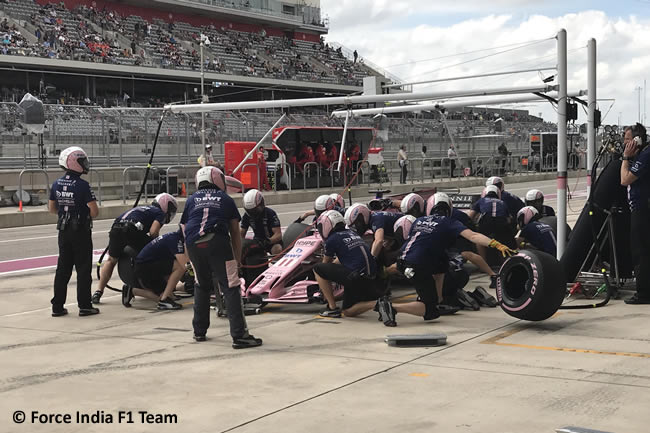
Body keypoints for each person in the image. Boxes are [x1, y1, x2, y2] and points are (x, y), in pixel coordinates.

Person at [382, 193, 515, 324]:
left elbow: (417, 248)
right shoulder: (449, 223)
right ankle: (392, 308)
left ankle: (438, 299)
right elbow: (473, 236)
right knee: (429, 309)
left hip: (404, 260)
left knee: (442, 263)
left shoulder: (418, 220)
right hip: (418, 266)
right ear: (449, 209)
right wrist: (496, 244)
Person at [181, 166, 262, 348]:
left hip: (193, 244)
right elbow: (235, 233)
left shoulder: (191, 200)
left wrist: (190, 257)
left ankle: (199, 331)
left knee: (201, 285)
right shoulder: (225, 199)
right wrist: (237, 259)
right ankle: (240, 335)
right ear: (218, 180)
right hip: (216, 241)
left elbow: (184, 228)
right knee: (231, 286)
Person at [93, 193, 177, 304]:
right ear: (167, 206)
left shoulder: (142, 208)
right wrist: (156, 246)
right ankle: (160, 288)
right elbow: (153, 231)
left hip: (116, 228)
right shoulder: (159, 213)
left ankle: (98, 292)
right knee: (155, 257)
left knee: (111, 260)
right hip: (132, 231)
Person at [48, 146, 99, 317]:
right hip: (81, 231)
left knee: (63, 269)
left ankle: (57, 306)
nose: (85, 164)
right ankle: (85, 305)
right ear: (73, 162)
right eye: (82, 161)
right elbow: (94, 211)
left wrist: (66, 211)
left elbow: (51, 208)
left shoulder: (56, 183)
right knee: (83, 269)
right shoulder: (83, 185)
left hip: (63, 229)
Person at [312, 210, 388, 323]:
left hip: (356, 277)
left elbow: (324, 264)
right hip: (371, 277)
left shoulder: (332, 239)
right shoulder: (352, 233)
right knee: (348, 311)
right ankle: (378, 303)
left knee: (317, 269)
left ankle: (332, 308)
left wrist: (323, 283)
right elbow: (344, 257)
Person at [426, 195, 499, 288]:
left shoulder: (456, 218)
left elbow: (472, 234)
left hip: (461, 234)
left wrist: (494, 244)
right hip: (446, 234)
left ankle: (493, 275)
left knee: (466, 253)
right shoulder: (424, 218)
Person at [620, 123, 650, 304]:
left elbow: (625, 179)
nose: (625, 143)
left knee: (640, 251)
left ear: (637, 141)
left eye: (627, 140)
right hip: (641, 208)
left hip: (642, 209)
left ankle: (644, 293)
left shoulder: (645, 155)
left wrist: (625, 158)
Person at [128, 229, 188, 310]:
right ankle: (165, 299)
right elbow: (185, 264)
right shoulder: (175, 240)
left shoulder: (173, 237)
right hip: (145, 269)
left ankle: (131, 290)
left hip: (146, 267)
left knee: (161, 297)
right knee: (179, 267)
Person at [468, 185, 514, 261]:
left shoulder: (481, 201)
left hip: (486, 221)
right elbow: (509, 219)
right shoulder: (502, 202)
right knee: (508, 241)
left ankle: (483, 262)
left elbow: (470, 217)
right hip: (501, 221)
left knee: (479, 240)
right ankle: (508, 261)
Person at [241, 189, 283, 255]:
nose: (253, 213)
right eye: (250, 211)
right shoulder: (246, 216)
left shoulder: (270, 213)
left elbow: (278, 235)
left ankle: (278, 263)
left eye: (255, 210)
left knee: (277, 249)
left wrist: (267, 242)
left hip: (272, 242)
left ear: (261, 203)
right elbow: (241, 234)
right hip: (257, 242)